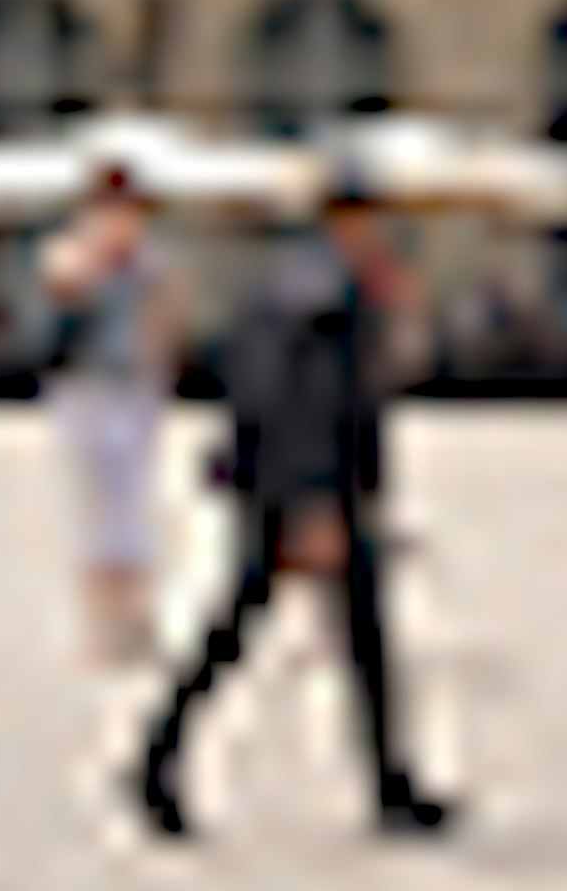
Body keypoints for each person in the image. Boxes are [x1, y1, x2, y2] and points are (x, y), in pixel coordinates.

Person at [130, 182, 456, 840]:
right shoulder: (318, 295)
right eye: (375, 223)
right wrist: (311, 505)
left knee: (360, 642)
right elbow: (295, 403)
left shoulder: (311, 285)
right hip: (304, 491)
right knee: (238, 634)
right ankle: (156, 760)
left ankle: (391, 784)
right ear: (345, 222)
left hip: (311, 488)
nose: (383, 238)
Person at [41, 165, 181, 667]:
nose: (123, 219)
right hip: (83, 389)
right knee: (95, 511)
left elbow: (163, 319)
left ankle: (138, 618)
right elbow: (60, 288)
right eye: (112, 208)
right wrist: (95, 256)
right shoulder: (71, 252)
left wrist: (159, 379)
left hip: (132, 390)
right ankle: (100, 625)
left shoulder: (150, 262)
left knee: (133, 509)